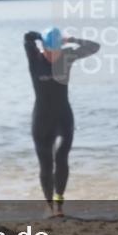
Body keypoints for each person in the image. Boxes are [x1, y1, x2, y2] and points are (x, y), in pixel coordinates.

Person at [23, 26, 100, 216]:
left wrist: (70, 39)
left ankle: (59, 202)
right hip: (41, 120)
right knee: (46, 165)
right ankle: (49, 204)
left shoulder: (66, 57)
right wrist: (42, 37)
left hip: (63, 117)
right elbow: (27, 37)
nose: (52, 55)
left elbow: (94, 47)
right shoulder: (35, 58)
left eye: (56, 50)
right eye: (49, 51)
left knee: (61, 157)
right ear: (43, 47)